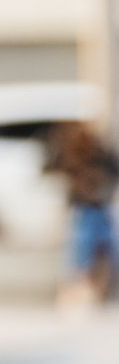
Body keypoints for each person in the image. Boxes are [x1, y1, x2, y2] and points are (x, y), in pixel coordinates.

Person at [51, 120, 118, 305]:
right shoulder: (71, 153)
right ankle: (77, 288)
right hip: (85, 206)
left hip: (100, 205)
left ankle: (96, 289)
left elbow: (113, 171)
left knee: (103, 245)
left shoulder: (100, 152)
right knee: (82, 245)